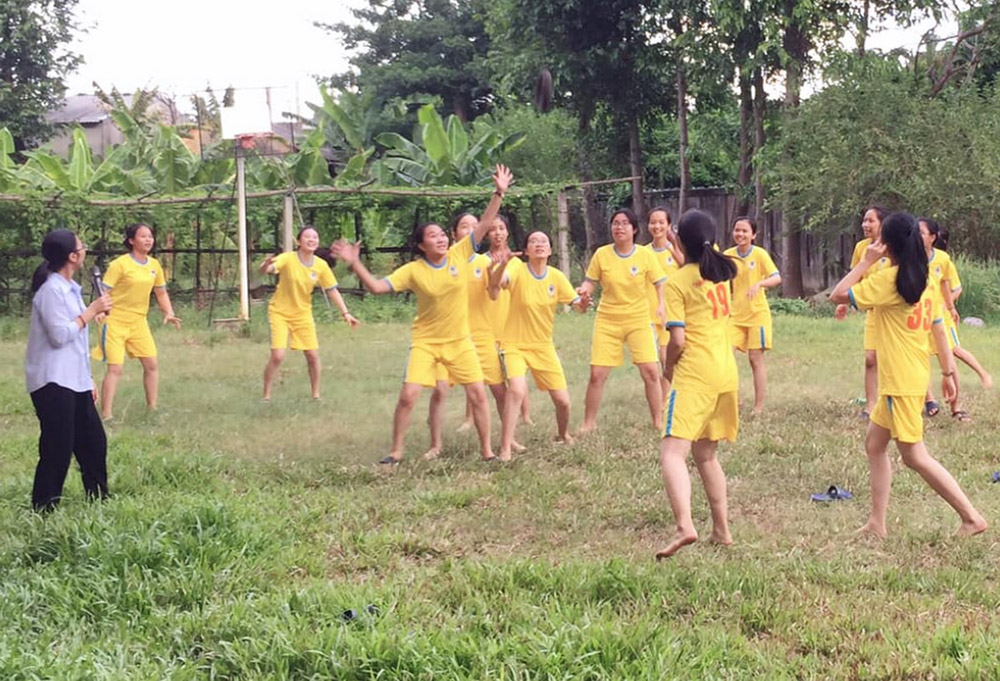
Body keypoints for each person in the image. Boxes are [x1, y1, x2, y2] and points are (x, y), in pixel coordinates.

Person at [331, 164, 513, 464]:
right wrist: (354, 262)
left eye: (443, 234)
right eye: (433, 236)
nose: (441, 239)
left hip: (459, 341)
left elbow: (483, 224)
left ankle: (487, 452)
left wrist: (499, 193)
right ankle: (396, 452)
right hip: (426, 342)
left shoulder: (460, 254)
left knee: (478, 395)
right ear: (420, 245)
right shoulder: (413, 271)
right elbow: (377, 287)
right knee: (408, 396)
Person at [830, 212, 987, 539]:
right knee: (874, 445)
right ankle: (877, 523)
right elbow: (940, 330)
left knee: (915, 456)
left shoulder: (889, 280)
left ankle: (971, 517)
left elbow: (838, 294)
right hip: (907, 379)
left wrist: (864, 262)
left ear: (887, 244)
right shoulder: (925, 277)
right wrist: (947, 372)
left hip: (900, 384)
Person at [655, 209, 740, 559]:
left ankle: (684, 525)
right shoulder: (721, 275)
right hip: (725, 373)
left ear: (679, 239)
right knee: (706, 454)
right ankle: (722, 531)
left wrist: (668, 368)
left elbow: (677, 339)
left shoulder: (677, 281)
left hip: (695, 374)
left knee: (672, 453)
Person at [26, 229, 113, 511]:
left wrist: (87, 379)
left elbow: (76, 343)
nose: (85, 251)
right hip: (52, 381)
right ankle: (44, 507)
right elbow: (60, 335)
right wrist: (90, 311)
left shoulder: (71, 289)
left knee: (94, 442)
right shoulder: (51, 291)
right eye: (82, 247)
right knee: (57, 448)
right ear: (72, 256)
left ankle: (99, 500)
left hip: (74, 380)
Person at [487, 231, 589, 460]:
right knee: (517, 390)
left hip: (543, 346)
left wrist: (583, 302)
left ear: (551, 250)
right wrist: (501, 265)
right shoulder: (516, 269)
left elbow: (577, 305)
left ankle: (563, 435)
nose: (539, 244)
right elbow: (496, 284)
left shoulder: (556, 276)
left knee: (563, 401)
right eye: (533, 241)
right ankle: (505, 448)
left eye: (544, 241)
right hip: (514, 345)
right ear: (526, 251)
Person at [577, 208, 667, 434]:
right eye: (615, 223)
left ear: (634, 229)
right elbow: (590, 282)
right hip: (608, 320)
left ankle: (658, 420)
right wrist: (584, 292)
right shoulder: (602, 254)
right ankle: (589, 423)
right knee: (597, 374)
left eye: (625, 223)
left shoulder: (645, 255)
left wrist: (661, 304)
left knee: (650, 371)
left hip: (638, 318)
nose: (619, 227)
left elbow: (660, 282)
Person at [260, 225, 360, 401]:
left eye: (315, 237)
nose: (311, 240)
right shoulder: (288, 258)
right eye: (307, 237)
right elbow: (268, 269)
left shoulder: (321, 266)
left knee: (313, 356)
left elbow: (332, 290)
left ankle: (315, 396)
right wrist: (265, 265)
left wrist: (346, 313)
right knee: (278, 356)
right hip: (280, 312)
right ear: (299, 241)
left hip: (303, 314)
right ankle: (266, 395)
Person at [93, 223, 181, 420]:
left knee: (151, 364)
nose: (148, 240)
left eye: (150, 236)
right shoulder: (120, 264)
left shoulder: (154, 265)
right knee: (115, 368)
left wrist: (168, 312)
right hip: (114, 321)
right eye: (143, 236)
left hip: (138, 322)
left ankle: (152, 409)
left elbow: (161, 292)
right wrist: (99, 310)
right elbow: (103, 290)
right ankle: (107, 415)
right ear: (131, 240)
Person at [919, 218, 992, 422]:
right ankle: (929, 401)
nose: (916, 236)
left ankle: (956, 406)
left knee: (951, 356)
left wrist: (949, 306)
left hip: (940, 318)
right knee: (920, 357)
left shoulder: (942, 259)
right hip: (918, 318)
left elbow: (949, 285)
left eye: (921, 232)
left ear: (933, 238)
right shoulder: (908, 257)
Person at [835, 206, 889, 418]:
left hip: (892, 313)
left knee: (891, 358)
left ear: (881, 223)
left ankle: (907, 399)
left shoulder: (892, 247)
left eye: (871, 221)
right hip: (872, 312)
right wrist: (844, 302)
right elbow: (856, 275)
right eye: (864, 221)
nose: (866, 225)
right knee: (870, 358)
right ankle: (870, 406)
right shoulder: (861, 248)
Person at [724, 216, 781, 413]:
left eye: (745, 231)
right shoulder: (728, 255)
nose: (740, 234)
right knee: (726, 356)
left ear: (753, 235)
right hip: (735, 314)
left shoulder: (759, 254)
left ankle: (758, 406)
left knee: (755, 358)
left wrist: (760, 283)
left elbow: (776, 277)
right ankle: (734, 399)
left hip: (757, 314)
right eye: (737, 230)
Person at [645, 207, 685, 402]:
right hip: (653, 314)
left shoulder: (676, 249)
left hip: (676, 312)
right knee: (663, 359)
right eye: (653, 222)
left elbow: (688, 270)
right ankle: (665, 403)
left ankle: (674, 398)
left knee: (675, 359)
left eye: (661, 222)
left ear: (669, 225)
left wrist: (676, 249)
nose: (657, 226)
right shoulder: (643, 253)